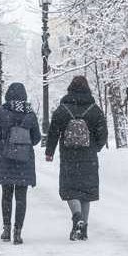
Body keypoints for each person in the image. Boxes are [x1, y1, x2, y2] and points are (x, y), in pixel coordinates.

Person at [45, 76, 107, 241]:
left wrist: (49, 151)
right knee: (86, 192)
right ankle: (83, 229)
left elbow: (53, 132)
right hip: (89, 157)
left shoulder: (63, 109)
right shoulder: (95, 109)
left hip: (69, 156)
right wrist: (95, 147)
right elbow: (103, 134)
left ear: (70, 89)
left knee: (70, 189)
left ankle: (77, 216)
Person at [0, 82, 41, 244]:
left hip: (6, 158)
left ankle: (6, 229)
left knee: (7, 195)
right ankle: (18, 232)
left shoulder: (1, 112)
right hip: (25, 160)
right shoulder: (30, 114)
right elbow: (37, 138)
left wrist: (2, 143)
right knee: (21, 197)